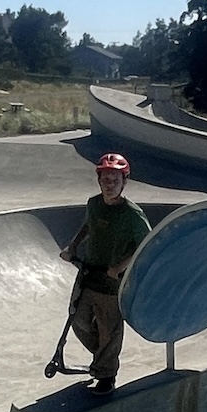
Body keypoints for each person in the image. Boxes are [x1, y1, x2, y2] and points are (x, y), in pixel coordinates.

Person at [59, 152, 152, 394]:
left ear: (124, 182)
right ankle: (104, 357)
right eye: (105, 180)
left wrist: (120, 267)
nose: (109, 185)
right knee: (79, 321)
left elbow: (146, 243)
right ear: (99, 180)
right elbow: (89, 224)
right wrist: (73, 246)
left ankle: (106, 375)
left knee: (109, 328)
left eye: (114, 180)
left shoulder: (132, 214)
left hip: (113, 282)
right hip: (89, 274)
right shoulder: (94, 204)